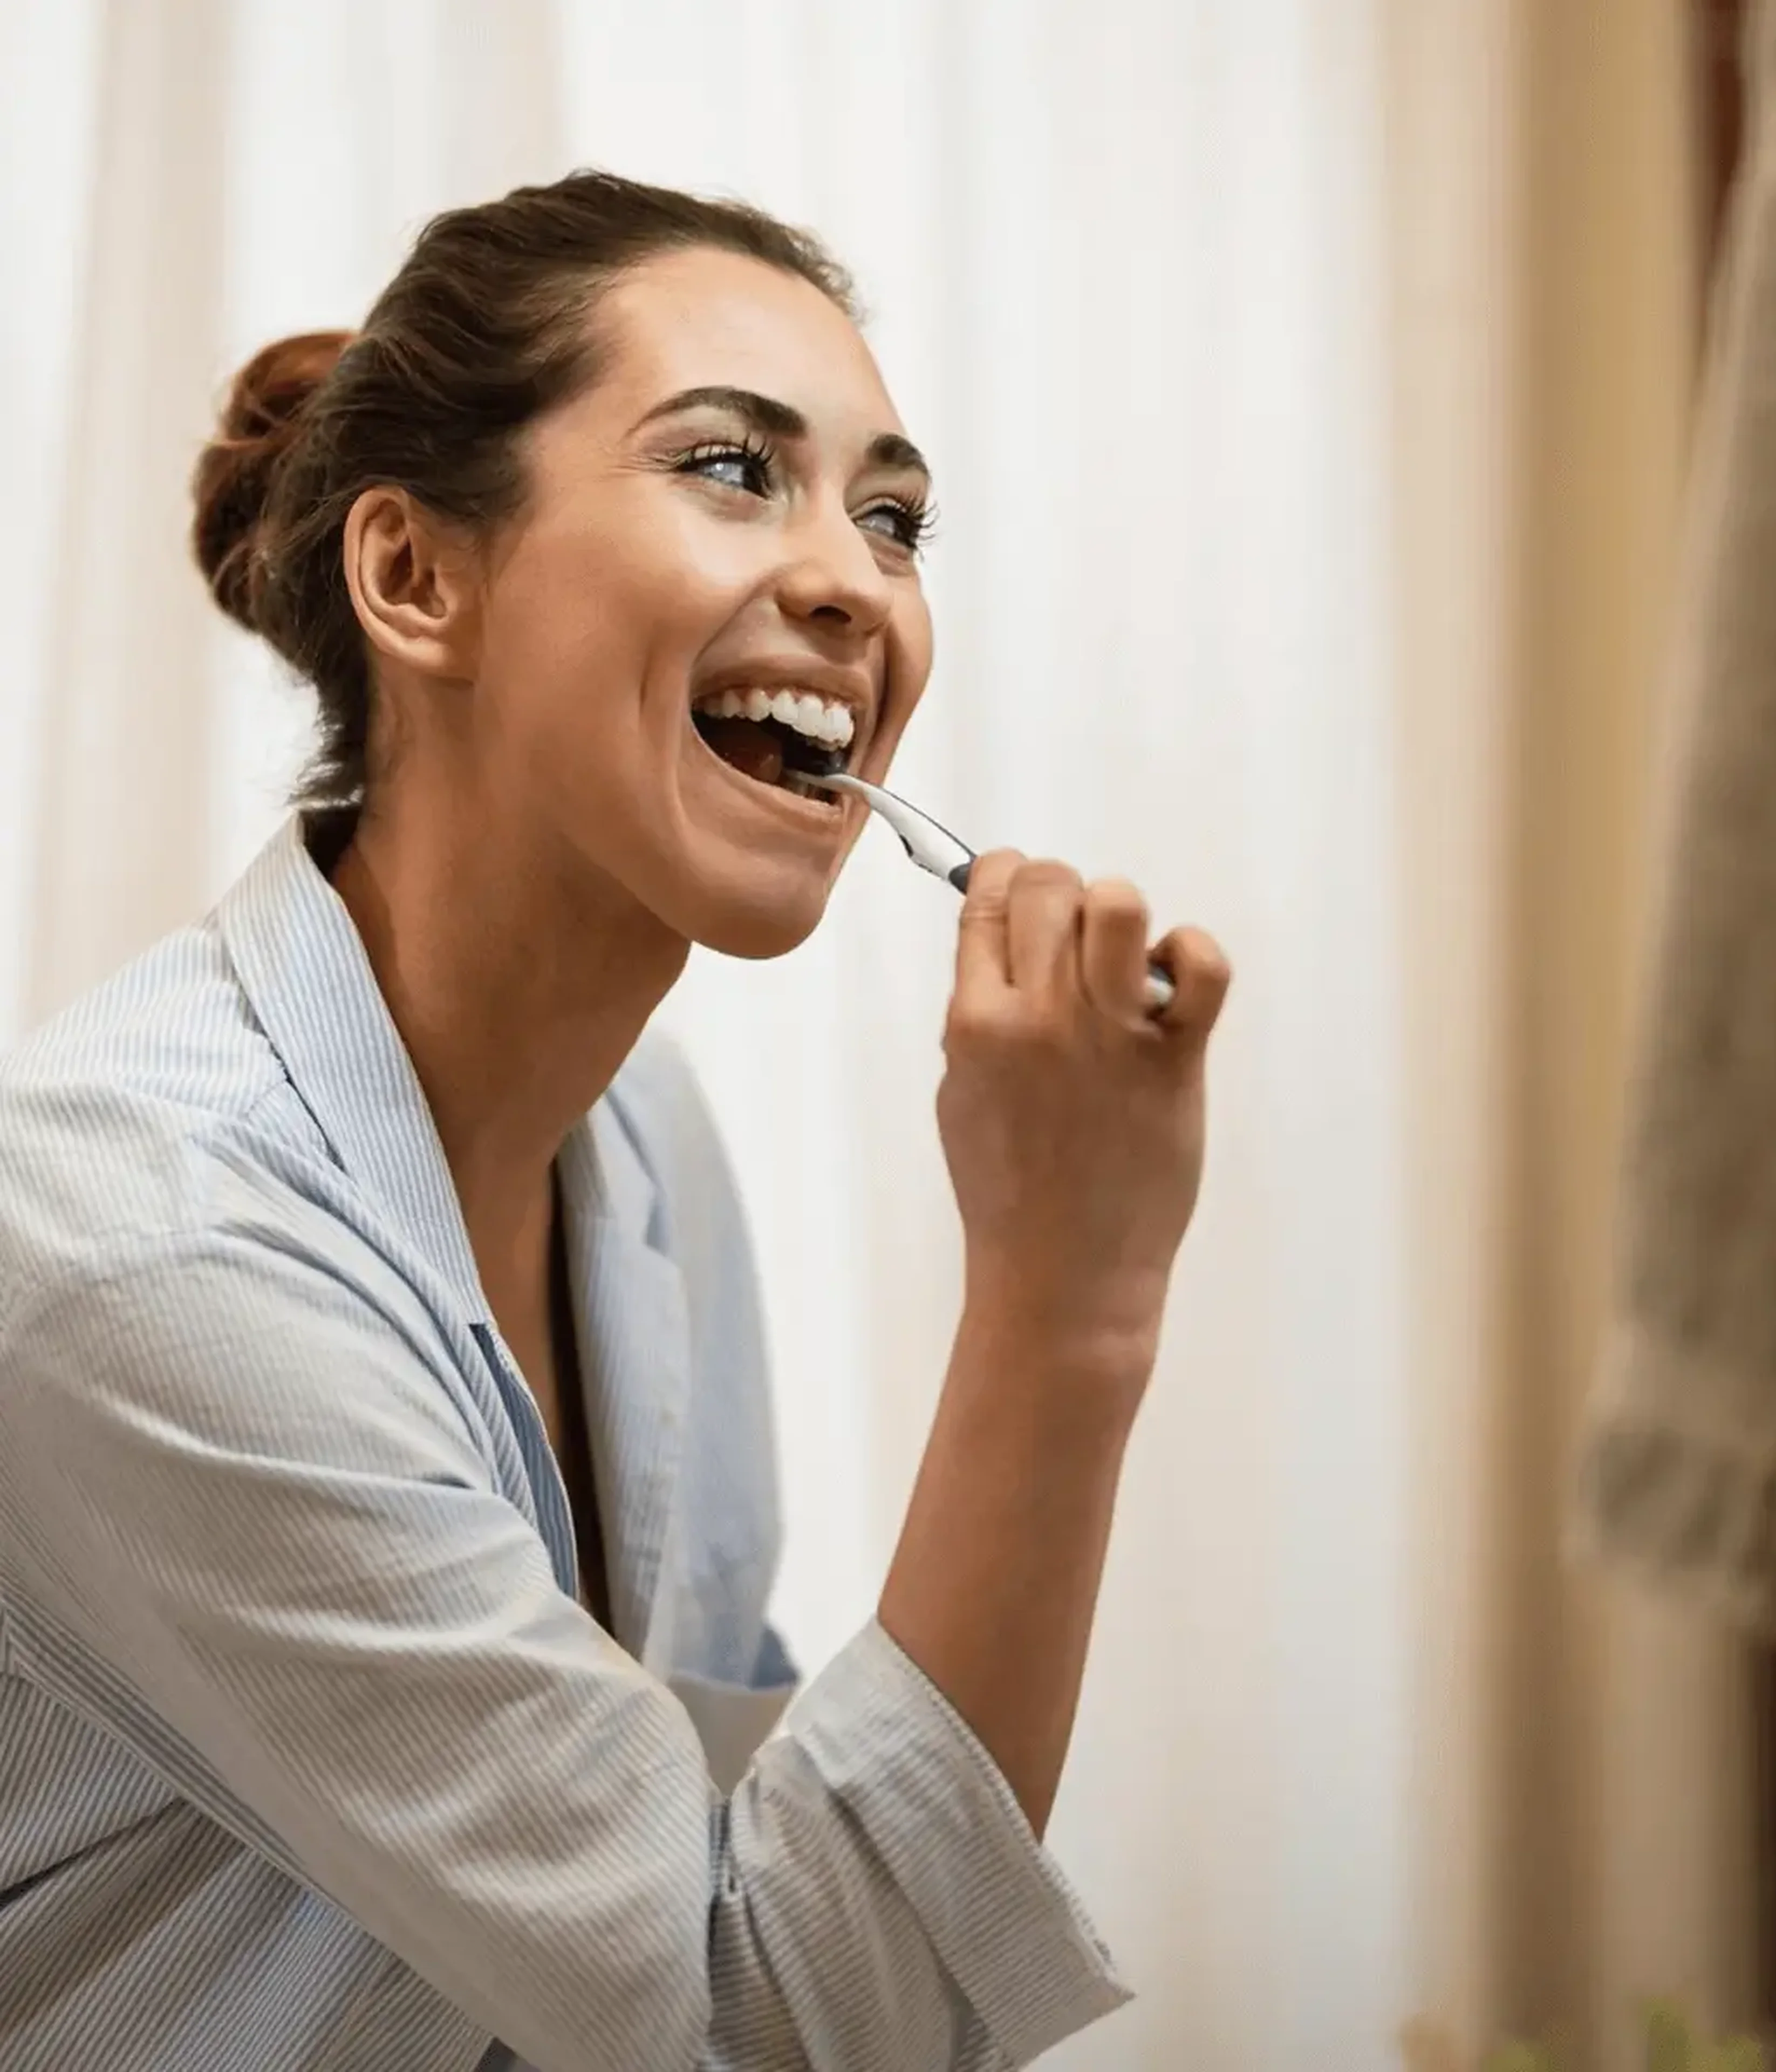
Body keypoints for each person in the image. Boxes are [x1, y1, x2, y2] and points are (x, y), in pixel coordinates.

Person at [0, 171, 1229, 2070]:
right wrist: (1070, 1310)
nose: (852, 580)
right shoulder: (143, 1244)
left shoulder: (640, 1151)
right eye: (734, 469)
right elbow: (756, 2019)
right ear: (417, 579)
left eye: (892, 517)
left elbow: (735, 1885)